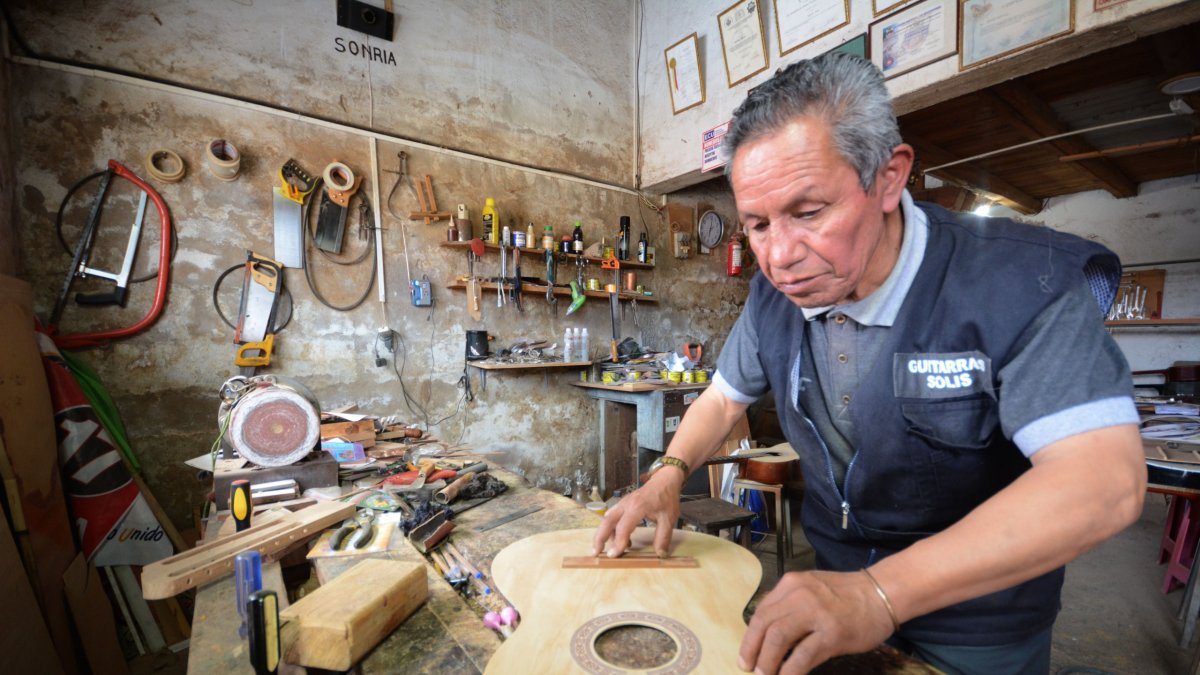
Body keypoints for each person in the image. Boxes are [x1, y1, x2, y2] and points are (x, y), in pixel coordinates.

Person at [592, 52, 1145, 675]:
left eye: (808, 212)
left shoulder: (1021, 280)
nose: (778, 256)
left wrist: (882, 592)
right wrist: (667, 473)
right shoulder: (773, 297)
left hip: (979, 618)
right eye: (757, 224)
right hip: (837, 591)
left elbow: (1104, 484)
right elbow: (723, 399)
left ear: (889, 178)